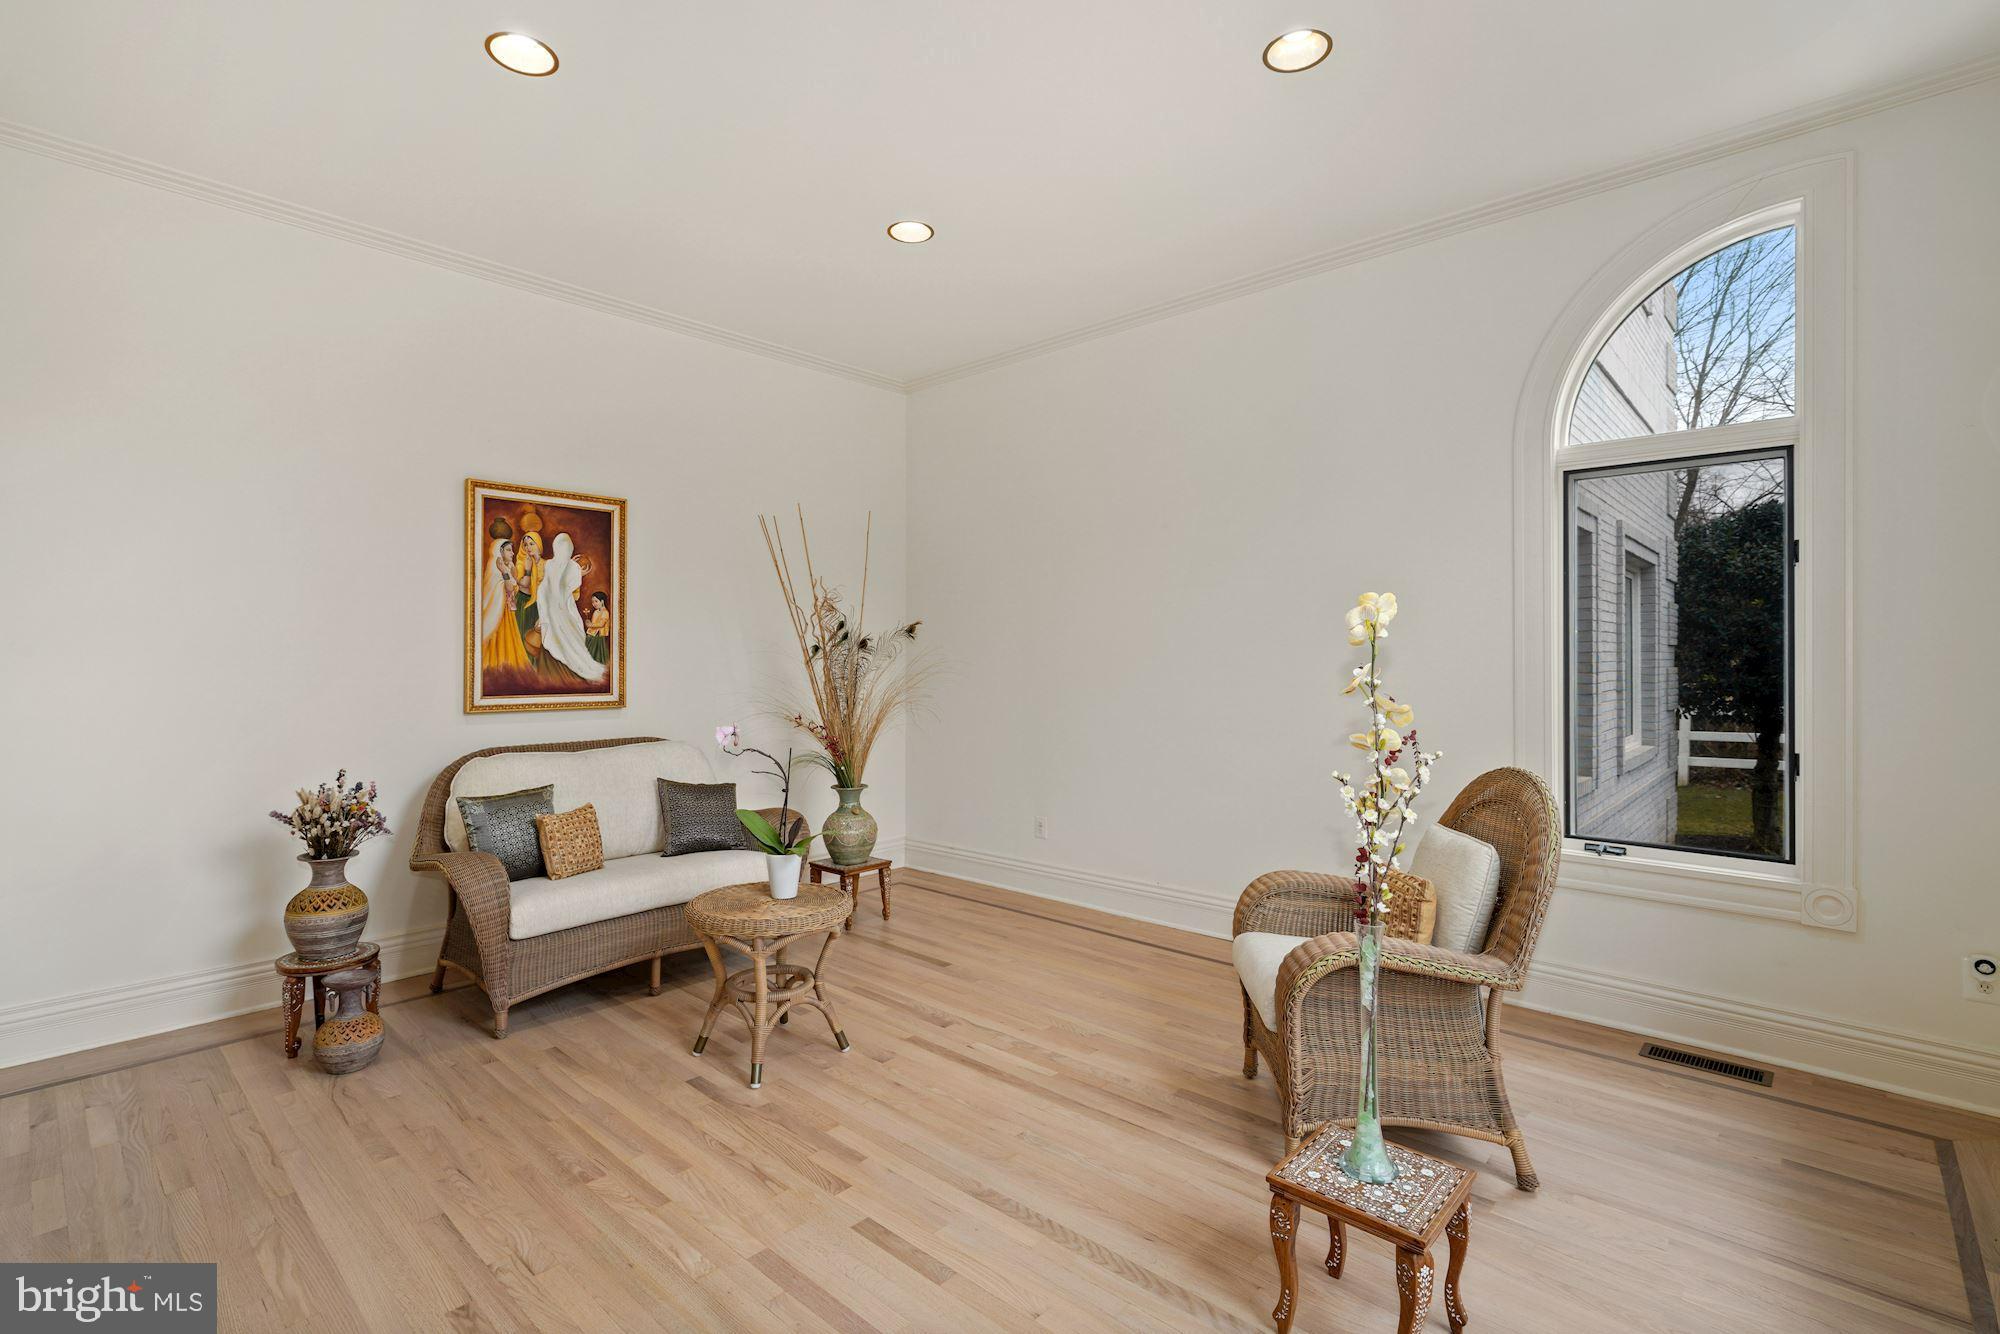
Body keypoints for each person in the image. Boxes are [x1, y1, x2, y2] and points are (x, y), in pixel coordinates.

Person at [536, 533, 606, 683]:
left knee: (561, 637)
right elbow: (568, 586)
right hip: (562, 610)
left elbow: (546, 590)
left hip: (553, 610)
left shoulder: (549, 565)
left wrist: (573, 567)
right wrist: (576, 570)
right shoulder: (570, 568)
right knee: (570, 634)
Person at [479, 523, 530, 673]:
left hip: (506, 610)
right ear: (499, 551)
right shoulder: (497, 567)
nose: (512, 553)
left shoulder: (506, 566)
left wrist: (511, 568)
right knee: (498, 640)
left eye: (512, 550)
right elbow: (508, 586)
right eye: (508, 550)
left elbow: (514, 584)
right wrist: (505, 572)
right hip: (499, 612)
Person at [585, 591, 611, 665]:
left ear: (602, 601)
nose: (594, 604)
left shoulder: (605, 612)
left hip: (598, 636)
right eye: (593, 602)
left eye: (596, 601)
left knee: (596, 652)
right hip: (592, 634)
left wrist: (591, 625)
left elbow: (601, 624)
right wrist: (589, 624)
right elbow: (594, 623)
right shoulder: (596, 612)